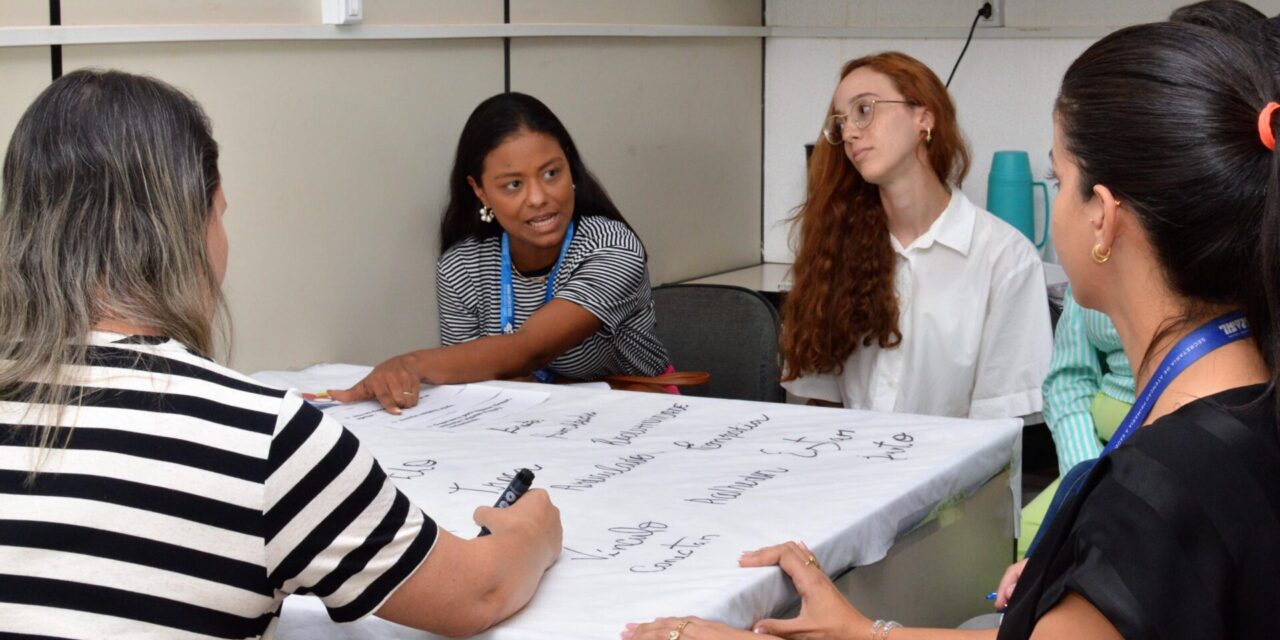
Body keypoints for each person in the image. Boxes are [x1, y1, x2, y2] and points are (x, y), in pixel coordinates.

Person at [623, 19, 1280, 640]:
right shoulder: (1237, 415)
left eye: (1060, 177)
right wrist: (868, 630)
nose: (852, 132)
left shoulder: (1154, 490)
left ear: (1103, 218)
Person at [0, 70, 562, 637]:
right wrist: (531, 532)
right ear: (186, 228)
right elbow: (477, 592)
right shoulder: (263, 440)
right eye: (219, 213)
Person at [331, 93, 669, 413]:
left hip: (638, 416)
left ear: (570, 165)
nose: (538, 198)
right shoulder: (461, 266)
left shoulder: (612, 246)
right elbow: (469, 382)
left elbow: (529, 349)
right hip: (528, 423)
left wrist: (411, 365)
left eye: (551, 173)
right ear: (480, 191)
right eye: (513, 185)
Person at [779, 52, 1051, 420]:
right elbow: (824, 404)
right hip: (854, 468)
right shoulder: (834, 246)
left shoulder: (1005, 258)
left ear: (923, 118)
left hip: (960, 474)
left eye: (864, 110)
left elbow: (1001, 425)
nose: (851, 132)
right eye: (841, 123)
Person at [1018, 287, 1133, 557]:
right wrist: (1086, 478)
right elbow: (1069, 379)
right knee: (1020, 548)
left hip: (1186, 454)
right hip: (1102, 455)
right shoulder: (1090, 256)